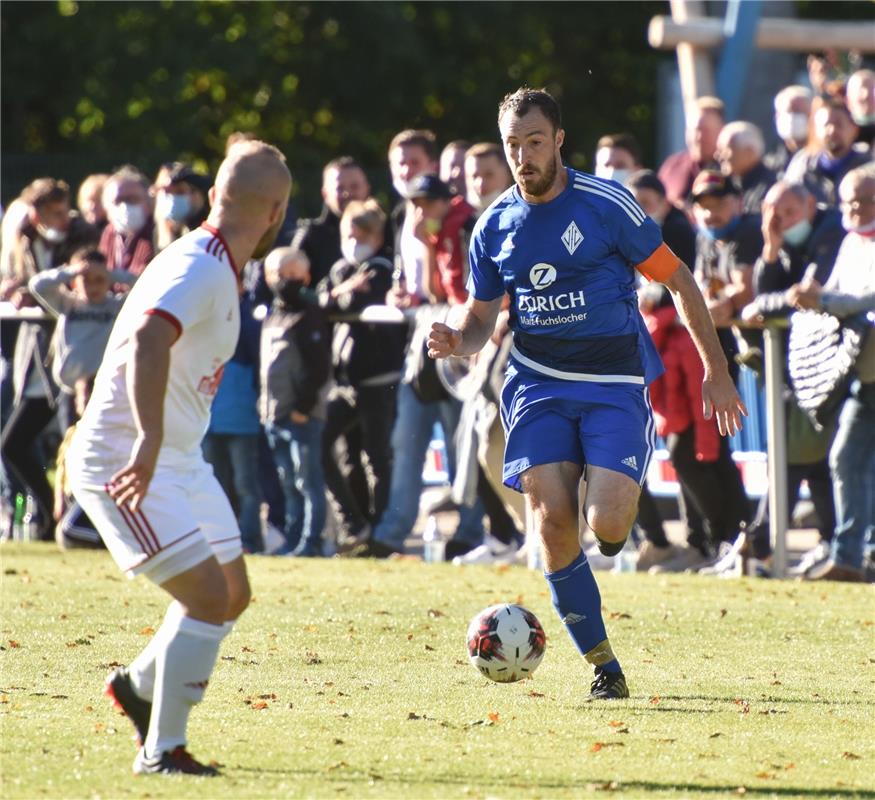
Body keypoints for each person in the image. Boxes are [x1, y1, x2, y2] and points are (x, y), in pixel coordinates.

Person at [429, 88, 745, 699]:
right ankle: (604, 665)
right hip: (537, 381)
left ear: (559, 140)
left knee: (606, 523)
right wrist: (455, 340)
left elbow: (678, 279)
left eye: (535, 142)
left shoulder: (606, 206)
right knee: (550, 520)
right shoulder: (493, 225)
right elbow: (478, 322)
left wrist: (718, 368)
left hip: (614, 381)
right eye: (512, 145)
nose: (523, 156)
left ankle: (610, 521)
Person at [66, 140, 292, 775]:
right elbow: (146, 341)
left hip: (181, 460)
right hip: (126, 457)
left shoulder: (219, 261)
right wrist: (144, 442)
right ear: (275, 211)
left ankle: (138, 687)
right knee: (206, 598)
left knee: (233, 592)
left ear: (216, 194)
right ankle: (162, 750)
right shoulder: (202, 266)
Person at [736, 181, 844, 577]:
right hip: (803, 370)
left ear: (810, 205)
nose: (779, 222)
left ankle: (762, 542)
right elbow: (771, 294)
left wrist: (764, 304)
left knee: (805, 457)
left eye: (787, 213)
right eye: (771, 214)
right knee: (808, 460)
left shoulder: (832, 230)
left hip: (833, 368)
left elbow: (805, 295)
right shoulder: (784, 241)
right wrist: (770, 247)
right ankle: (819, 542)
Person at [787, 165, 875, 582]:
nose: (856, 208)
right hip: (865, 377)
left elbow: (865, 299)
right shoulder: (850, 243)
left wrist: (825, 298)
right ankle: (850, 558)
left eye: (865, 199)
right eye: (850, 200)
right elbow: (837, 297)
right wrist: (813, 298)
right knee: (843, 457)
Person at [318, 200, 405, 545]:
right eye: (348, 234)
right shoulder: (341, 270)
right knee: (331, 449)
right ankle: (354, 524)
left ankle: (379, 529)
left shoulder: (382, 269)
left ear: (376, 234)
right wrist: (340, 293)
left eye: (361, 234)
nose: (353, 241)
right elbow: (323, 301)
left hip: (379, 380)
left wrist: (337, 298)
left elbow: (352, 304)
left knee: (377, 457)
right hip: (343, 382)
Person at [259, 247, 331, 557]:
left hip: (301, 416)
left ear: (306, 276)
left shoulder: (309, 315)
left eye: (293, 274)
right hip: (273, 414)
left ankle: (310, 541)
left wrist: (303, 408)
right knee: (288, 482)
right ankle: (292, 537)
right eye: (280, 274)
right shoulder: (271, 314)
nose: (286, 281)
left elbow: (317, 368)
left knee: (307, 481)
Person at [28, 247, 136, 429]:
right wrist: (72, 271)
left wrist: (111, 273)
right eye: (86, 280)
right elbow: (37, 285)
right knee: (69, 444)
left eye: (99, 280)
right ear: (75, 282)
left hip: (105, 388)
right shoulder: (68, 304)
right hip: (70, 389)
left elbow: (145, 285)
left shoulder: (117, 307)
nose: (93, 287)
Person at [202, 294, 264, 554]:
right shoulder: (202, 323)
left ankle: (249, 540)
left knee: (245, 485)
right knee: (215, 485)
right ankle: (219, 541)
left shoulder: (248, 323)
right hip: (209, 422)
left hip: (242, 421)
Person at [290, 156, 371, 286]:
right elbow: (291, 282)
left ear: (367, 188)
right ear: (325, 194)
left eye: (354, 187)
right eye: (340, 188)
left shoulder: (385, 231)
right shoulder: (311, 235)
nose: (347, 193)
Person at [784, 96, 871, 205]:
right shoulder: (802, 165)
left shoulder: (869, 167)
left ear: (855, 129)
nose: (831, 130)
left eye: (839, 124)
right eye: (826, 125)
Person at [658, 96, 724, 208]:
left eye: (706, 130)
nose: (699, 137)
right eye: (695, 130)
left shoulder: (730, 170)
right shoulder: (672, 165)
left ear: (721, 131)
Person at [627, 170, 697, 271]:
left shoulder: (679, 232)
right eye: (632, 205)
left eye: (645, 203)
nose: (638, 210)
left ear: (664, 203)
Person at [98, 165, 156, 275]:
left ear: (149, 203)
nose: (125, 206)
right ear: (106, 207)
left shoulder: (156, 235)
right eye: (117, 201)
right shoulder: (109, 234)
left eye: (133, 199)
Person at [715, 121, 777, 214]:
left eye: (725, 150)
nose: (718, 156)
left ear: (749, 152)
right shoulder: (728, 186)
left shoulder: (769, 190)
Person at [152, 162, 212, 253]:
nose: (172, 198)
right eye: (167, 193)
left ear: (197, 195)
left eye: (180, 192)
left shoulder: (207, 230)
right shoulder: (160, 231)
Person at [765, 85, 812, 176]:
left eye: (799, 112)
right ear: (777, 118)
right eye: (789, 112)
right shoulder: (769, 165)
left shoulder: (820, 163)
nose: (793, 118)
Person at [464, 141, 514, 215]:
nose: (480, 183)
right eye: (474, 176)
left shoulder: (522, 214)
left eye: (489, 175)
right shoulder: (451, 218)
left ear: (508, 174)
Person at [846, 69, 875, 148]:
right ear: (848, 98)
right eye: (860, 90)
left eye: (871, 89)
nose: (866, 95)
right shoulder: (842, 129)